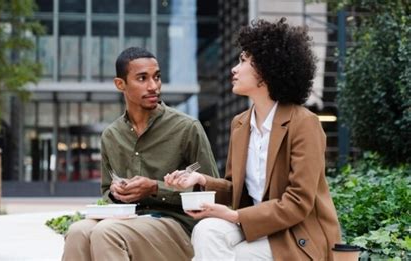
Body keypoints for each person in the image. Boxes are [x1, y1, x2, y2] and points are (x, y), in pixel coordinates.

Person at [165, 18, 341, 260]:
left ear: (267, 69)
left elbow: (298, 202)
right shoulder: (240, 124)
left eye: (244, 61)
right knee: (206, 230)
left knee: (237, 255)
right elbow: (235, 190)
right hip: (253, 225)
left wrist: (234, 216)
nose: (234, 69)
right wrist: (199, 180)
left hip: (294, 234)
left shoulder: (303, 123)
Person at [62, 47, 219, 261]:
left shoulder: (186, 128)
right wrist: (117, 192)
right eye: (142, 78)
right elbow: (107, 192)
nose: (153, 86)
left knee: (106, 233)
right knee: (77, 231)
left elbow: (211, 191)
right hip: (129, 220)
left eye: (157, 77)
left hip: (178, 227)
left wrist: (155, 188)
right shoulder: (112, 135)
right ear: (120, 84)